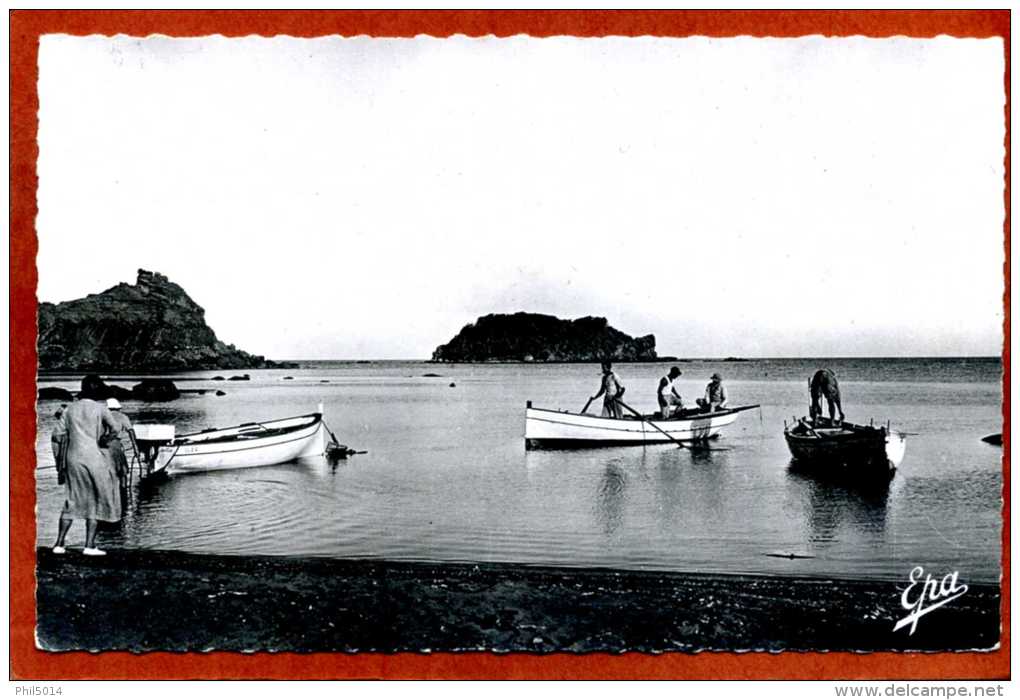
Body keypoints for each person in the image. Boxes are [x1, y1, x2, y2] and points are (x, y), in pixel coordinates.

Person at [51, 375, 122, 556]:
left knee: (72, 498)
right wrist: (104, 439)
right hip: (94, 456)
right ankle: (89, 545)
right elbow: (115, 429)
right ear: (98, 391)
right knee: (96, 498)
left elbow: (57, 436)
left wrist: (59, 461)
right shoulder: (101, 408)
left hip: (73, 457)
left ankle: (59, 544)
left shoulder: (69, 409)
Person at [105, 398, 135, 517]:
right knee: (123, 473)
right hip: (115, 445)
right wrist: (136, 448)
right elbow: (131, 431)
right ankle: (124, 496)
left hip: (102, 446)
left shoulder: (102, 416)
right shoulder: (122, 416)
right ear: (118, 407)